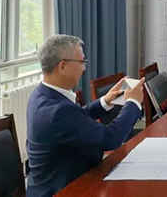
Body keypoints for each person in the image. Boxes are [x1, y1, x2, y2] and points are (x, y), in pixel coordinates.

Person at [26, 35, 144, 197]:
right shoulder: (58, 112)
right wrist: (133, 103)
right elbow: (110, 138)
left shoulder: (41, 94)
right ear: (62, 66)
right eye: (81, 62)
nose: (84, 69)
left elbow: (76, 119)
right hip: (61, 190)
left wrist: (105, 101)